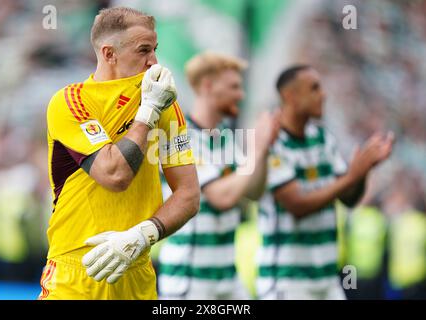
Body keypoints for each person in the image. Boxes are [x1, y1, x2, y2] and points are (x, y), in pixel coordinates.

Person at [39, 7, 200, 300]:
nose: (154, 61)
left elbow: (189, 195)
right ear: (109, 53)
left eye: (155, 49)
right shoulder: (70, 101)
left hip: (136, 270)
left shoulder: (164, 103)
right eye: (144, 50)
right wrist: (148, 111)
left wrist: (143, 236)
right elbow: (115, 174)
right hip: (77, 275)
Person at [256, 65, 394, 300]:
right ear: (290, 96)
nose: (324, 94)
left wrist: (363, 171)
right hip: (287, 281)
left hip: (327, 280)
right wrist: (353, 175)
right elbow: (297, 205)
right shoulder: (271, 140)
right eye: (314, 88)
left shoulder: (322, 138)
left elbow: (348, 198)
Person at [158, 51, 279, 299]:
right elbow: (220, 197)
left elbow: (252, 192)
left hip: (226, 276)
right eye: (234, 86)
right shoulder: (182, 135)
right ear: (208, 86)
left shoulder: (223, 136)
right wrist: (255, 151)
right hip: (190, 279)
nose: (241, 95)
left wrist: (263, 150)